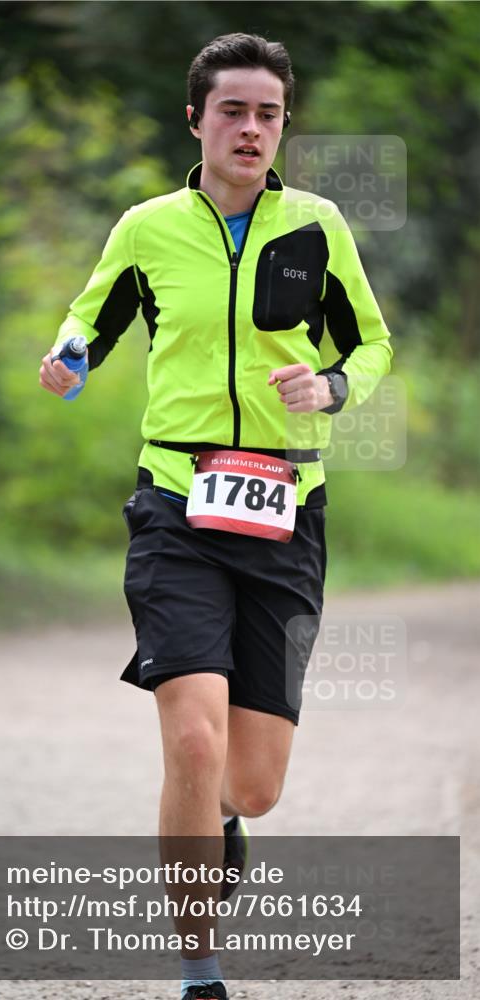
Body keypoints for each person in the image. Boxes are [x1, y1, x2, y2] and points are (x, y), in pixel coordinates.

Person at [40, 32, 392, 1000]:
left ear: (284, 127)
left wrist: (331, 385)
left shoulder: (317, 226)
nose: (250, 128)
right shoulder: (148, 226)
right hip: (175, 505)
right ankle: (199, 968)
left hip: (284, 512)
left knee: (251, 784)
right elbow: (91, 317)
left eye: (267, 113)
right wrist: (67, 357)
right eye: (231, 109)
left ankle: (225, 818)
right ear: (195, 118)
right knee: (190, 740)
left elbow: (371, 343)